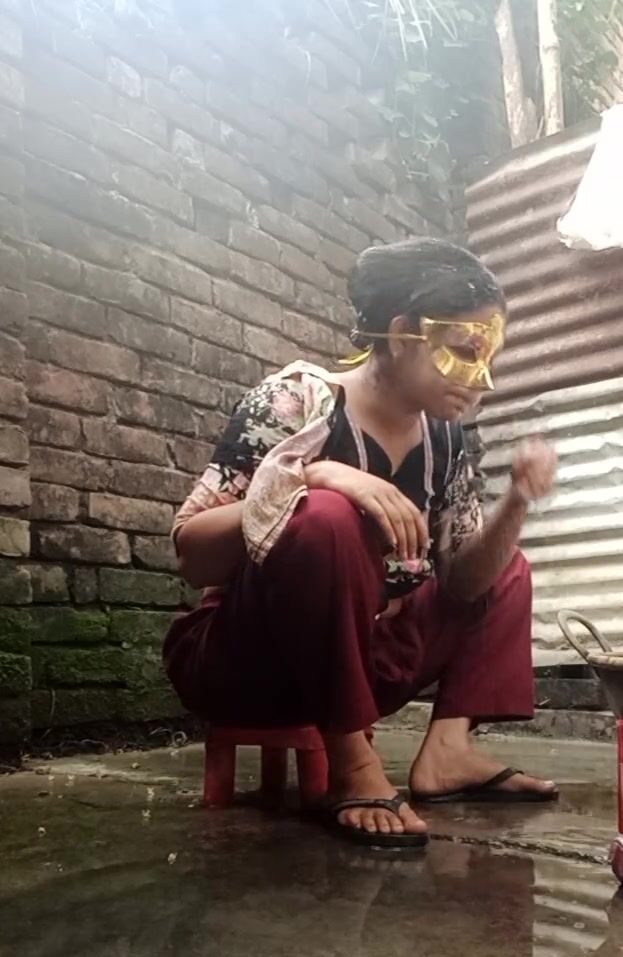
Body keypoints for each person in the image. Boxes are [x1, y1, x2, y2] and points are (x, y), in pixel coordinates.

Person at [164, 238, 557, 852]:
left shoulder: (445, 440)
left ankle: (449, 751)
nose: (481, 378)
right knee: (326, 516)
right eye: (465, 352)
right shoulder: (297, 402)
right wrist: (313, 477)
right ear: (402, 335)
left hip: (367, 665)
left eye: (489, 356)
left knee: (505, 567)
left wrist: (516, 504)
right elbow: (192, 553)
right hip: (248, 660)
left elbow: (463, 586)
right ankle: (351, 764)